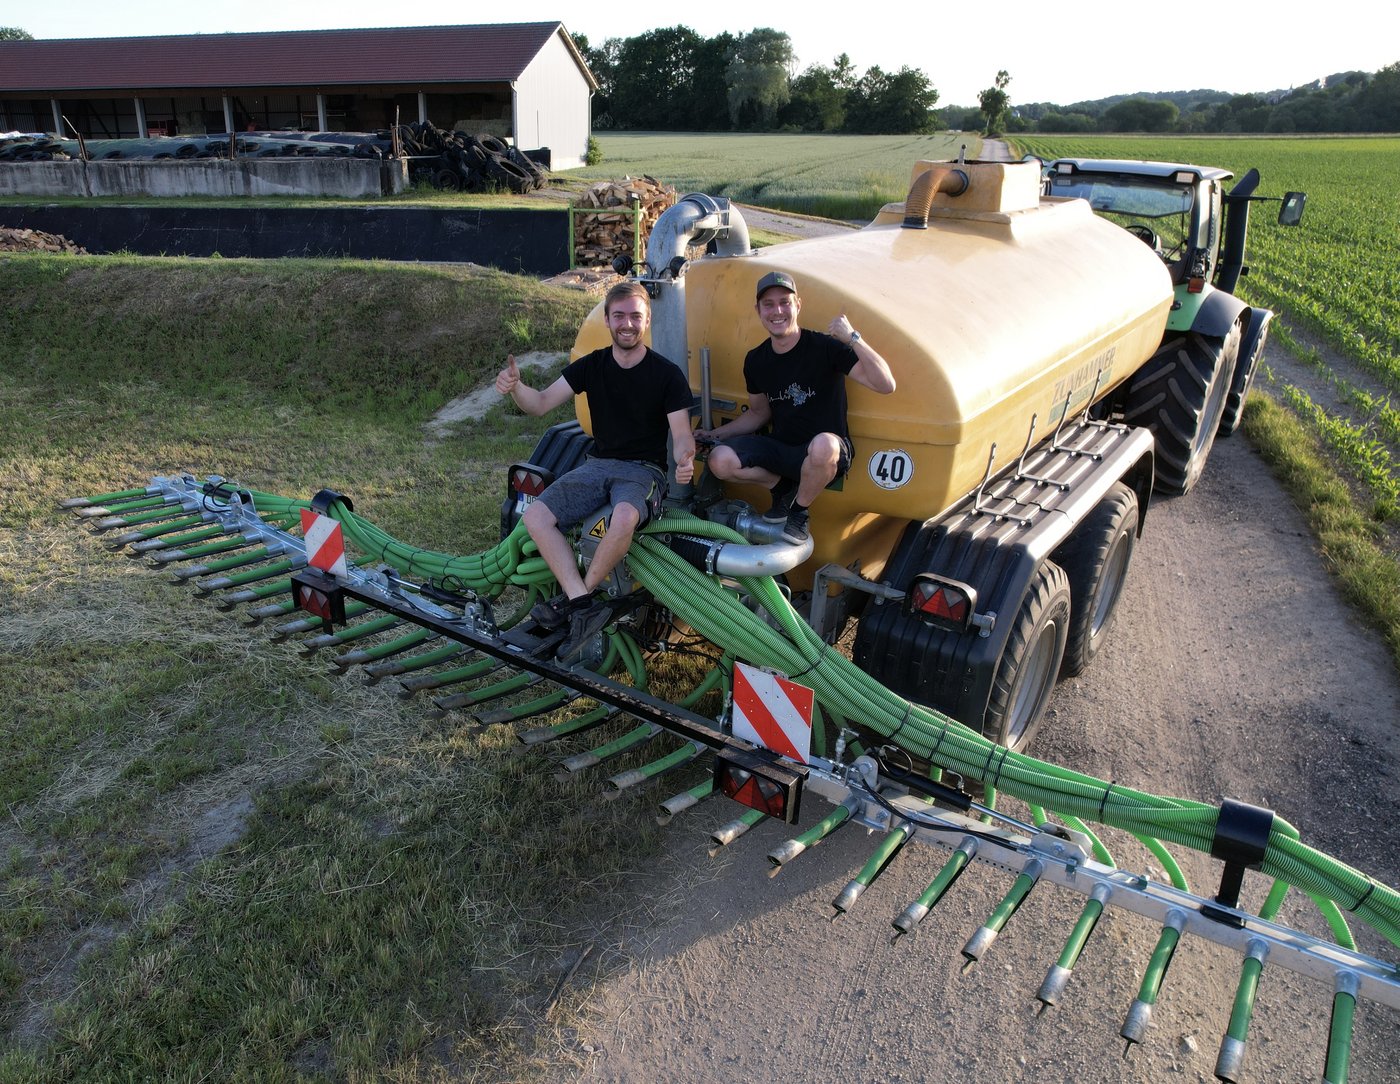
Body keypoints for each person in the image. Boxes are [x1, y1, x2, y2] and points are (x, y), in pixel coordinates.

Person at [495, 280, 695, 652]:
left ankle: (579, 597)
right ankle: (582, 603)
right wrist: (516, 388)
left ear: (647, 319)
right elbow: (539, 403)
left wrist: (685, 457)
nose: (627, 324)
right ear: (607, 320)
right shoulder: (592, 365)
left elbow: (681, 433)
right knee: (536, 519)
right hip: (597, 465)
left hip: (642, 471)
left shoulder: (666, 374)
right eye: (619, 315)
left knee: (623, 518)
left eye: (635, 316)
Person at [695, 270, 895, 543]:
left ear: (797, 305)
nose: (777, 311)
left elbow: (886, 384)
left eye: (785, 302)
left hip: (828, 451)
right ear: (758, 310)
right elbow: (758, 414)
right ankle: (781, 488)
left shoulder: (826, 348)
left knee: (823, 444)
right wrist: (714, 436)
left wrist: (853, 338)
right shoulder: (756, 360)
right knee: (720, 461)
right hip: (783, 448)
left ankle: (799, 512)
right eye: (768, 304)